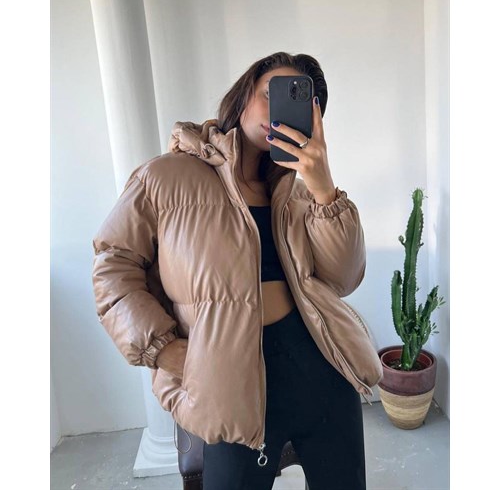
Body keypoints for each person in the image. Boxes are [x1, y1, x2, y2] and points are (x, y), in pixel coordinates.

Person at [92, 51, 383, 490]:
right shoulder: (165, 177)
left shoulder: (299, 193)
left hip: (321, 368)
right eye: (271, 93)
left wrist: (324, 189)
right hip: (228, 383)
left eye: (298, 105)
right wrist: (164, 351)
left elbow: (344, 278)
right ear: (244, 94)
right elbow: (113, 266)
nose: (277, 110)